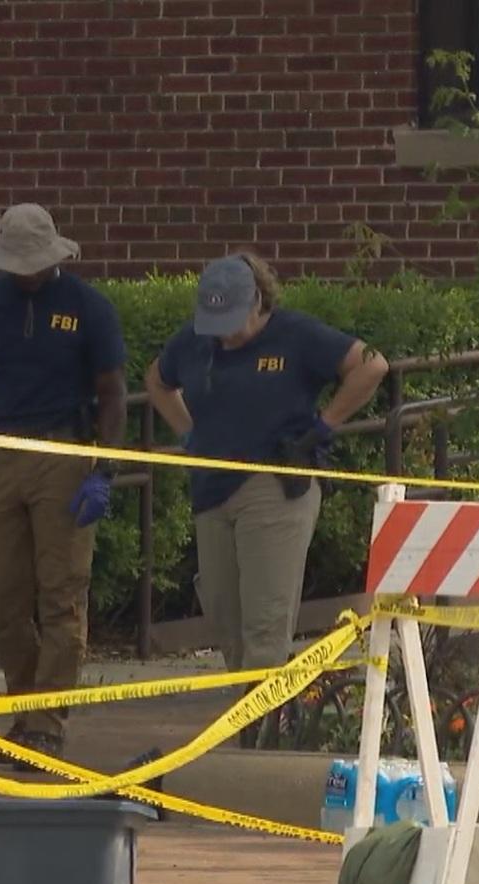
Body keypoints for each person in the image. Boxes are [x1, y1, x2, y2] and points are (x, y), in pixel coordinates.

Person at [145, 253, 387, 746]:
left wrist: (324, 426)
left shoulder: (296, 335)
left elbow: (370, 365)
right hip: (211, 489)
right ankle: (249, 713)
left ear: (258, 300)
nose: (226, 335)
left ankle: (263, 735)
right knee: (224, 614)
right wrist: (188, 432)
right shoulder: (194, 343)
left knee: (265, 620)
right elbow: (157, 380)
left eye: (235, 323)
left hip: (273, 489)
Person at [0, 203, 126, 765]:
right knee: (1, 594)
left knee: (62, 593)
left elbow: (112, 393)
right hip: (1, 453)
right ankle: (25, 706)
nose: (26, 272)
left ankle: (47, 723)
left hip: (64, 452)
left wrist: (104, 469)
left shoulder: (89, 308)